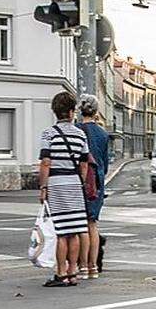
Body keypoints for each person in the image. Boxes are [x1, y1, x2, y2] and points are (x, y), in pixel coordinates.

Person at [38, 91, 90, 287]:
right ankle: (72, 272)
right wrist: (80, 183)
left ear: (55, 112)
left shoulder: (49, 133)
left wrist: (43, 187)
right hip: (75, 184)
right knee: (75, 230)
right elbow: (84, 164)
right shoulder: (80, 134)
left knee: (61, 231)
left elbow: (45, 162)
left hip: (57, 184)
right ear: (71, 112)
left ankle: (61, 273)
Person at [76, 95, 109, 279]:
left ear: (80, 110)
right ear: (96, 111)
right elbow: (104, 162)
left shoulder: (76, 130)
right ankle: (93, 267)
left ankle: (81, 266)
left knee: (80, 225)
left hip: (81, 181)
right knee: (93, 224)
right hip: (97, 181)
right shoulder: (103, 134)